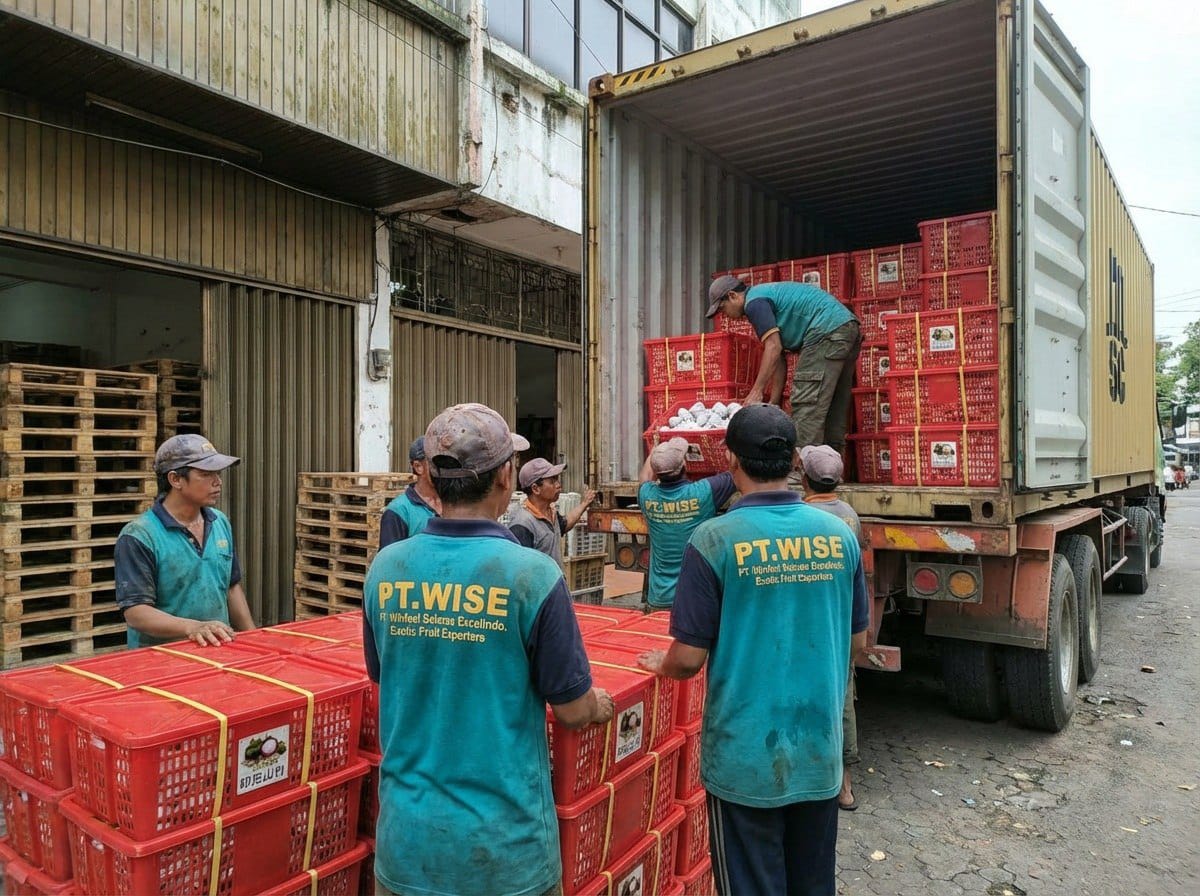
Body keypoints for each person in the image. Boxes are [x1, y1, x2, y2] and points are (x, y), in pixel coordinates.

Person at [362, 403, 614, 896]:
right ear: (506, 476)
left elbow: (383, 675)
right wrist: (599, 706)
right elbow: (571, 710)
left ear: (432, 475)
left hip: (408, 843)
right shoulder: (532, 576)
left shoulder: (386, 570)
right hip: (504, 850)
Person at [638, 404, 869, 896]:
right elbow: (858, 642)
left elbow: (688, 659)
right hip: (817, 753)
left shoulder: (714, 539)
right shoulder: (839, 537)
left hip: (745, 761)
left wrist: (660, 662)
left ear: (730, 460)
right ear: (794, 463)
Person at [115, 434, 256, 648]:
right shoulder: (140, 536)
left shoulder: (220, 522)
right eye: (206, 474)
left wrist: (254, 639)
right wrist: (192, 627)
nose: (218, 481)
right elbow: (136, 612)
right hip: (162, 660)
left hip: (217, 649)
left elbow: (231, 587)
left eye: (217, 473)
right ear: (176, 479)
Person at [706, 275, 862, 452]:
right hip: (846, 327)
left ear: (733, 295)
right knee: (834, 402)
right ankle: (829, 468)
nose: (725, 315)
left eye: (722, 308)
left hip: (826, 330)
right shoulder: (762, 296)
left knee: (806, 402)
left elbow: (773, 347)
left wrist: (756, 391)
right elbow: (778, 356)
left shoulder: (754, 303)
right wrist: (774, 402)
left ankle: (801, 467)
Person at [798, 444, 866, 813]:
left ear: (803, 478)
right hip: (838, 622)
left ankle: (802, 776)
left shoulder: (799, 515)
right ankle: (845, 787)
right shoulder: (850, 517)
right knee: (841, 698)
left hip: (806, 621)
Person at [638, 437, 737, 609]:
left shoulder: (647, 496)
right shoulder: (702, 493)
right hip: (693, 601)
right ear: (684, 464)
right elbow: (736, 473)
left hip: (660, 599)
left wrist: (655, 450)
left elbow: (645, 476)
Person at [507, 457, 596, 567]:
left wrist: (585, 503)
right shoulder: (522, 525)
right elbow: (520, 569)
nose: (558, 485)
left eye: (557, 480)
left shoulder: (551, 513)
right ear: (536, 489)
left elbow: (565, 523)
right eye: (552, 481)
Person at [379, 437, 442, 548]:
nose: (445, 468)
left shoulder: (454, 503)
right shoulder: (398, 511)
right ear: (418, 467)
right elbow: (389, 562)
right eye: (437, 463)